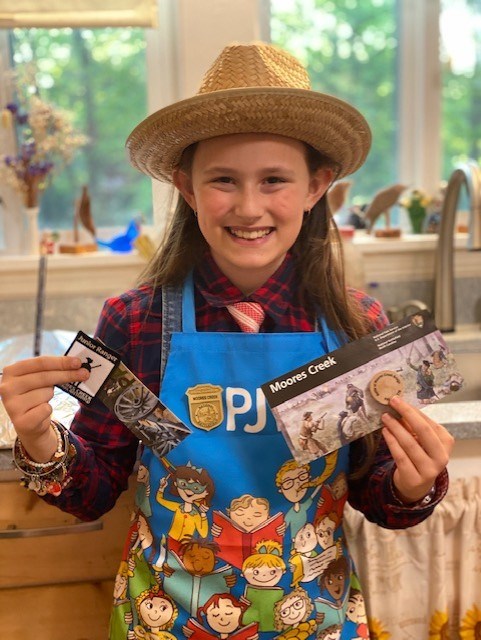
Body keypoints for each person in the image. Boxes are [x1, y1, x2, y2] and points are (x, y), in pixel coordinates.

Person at [0, 42, 454, 639]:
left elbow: (377, 492)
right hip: (165, 619)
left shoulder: (356, 324)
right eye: (223, 180)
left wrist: (413, 483)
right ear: (187, 189)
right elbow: (94, 490)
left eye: (274, 180)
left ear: (316, 188)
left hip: (311, 619)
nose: (248, 206)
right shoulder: (136, 322)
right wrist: (39, 441)